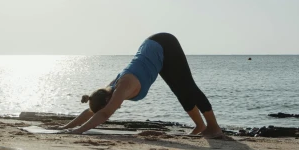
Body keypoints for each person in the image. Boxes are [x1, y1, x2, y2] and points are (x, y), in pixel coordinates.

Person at [59, 33, 227, 138]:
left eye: (110, 105)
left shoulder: (122, 86)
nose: (115, 108)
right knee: (179, 90)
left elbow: (104, 114)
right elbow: (91, 110)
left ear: (109, 99)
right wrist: (65, 127)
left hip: (164, 44)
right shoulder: (108, 89)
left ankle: (214, 127)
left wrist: (78, 131)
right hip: (153, 51)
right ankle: (200, 126)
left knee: (188, 86)